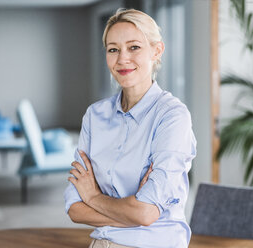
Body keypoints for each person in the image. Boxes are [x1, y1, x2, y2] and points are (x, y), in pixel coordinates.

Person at [64, 8, 196, 248]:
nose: (122, 58)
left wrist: (93, 196)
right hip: (100, 244)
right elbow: (74, 208)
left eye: (134, 47)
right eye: (113, 49)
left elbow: (145, 214)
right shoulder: (95, 116)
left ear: (156, 51)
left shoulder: (172, 117)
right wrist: (131, 212)